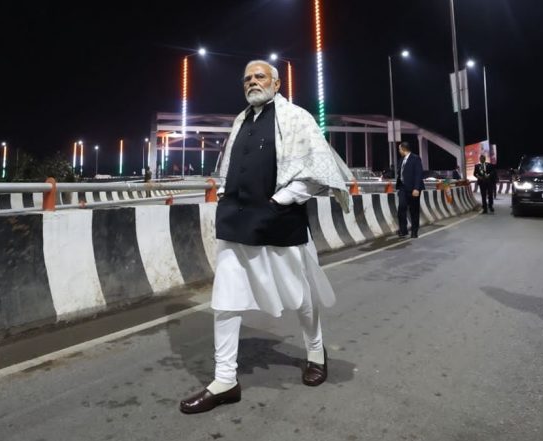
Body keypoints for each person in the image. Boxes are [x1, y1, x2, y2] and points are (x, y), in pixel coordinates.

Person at [179, 59, 353, 414]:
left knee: (301, 295)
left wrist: (278, 202)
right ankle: (225, 380)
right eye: (247, 78)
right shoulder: (240, 120)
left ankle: (316, 353)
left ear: (276, 82)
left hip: (279, 221)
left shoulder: (297, 118)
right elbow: (230, 169)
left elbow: (315, 171)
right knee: (225, 301)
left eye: (259, 76)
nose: (252, 82)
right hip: (236, 221)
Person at [396, 141, 423, 238]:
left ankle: (414, 231)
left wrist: (416, 188)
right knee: (401, 208)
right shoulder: (401, 160)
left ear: (403, 149)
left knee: (414, 210)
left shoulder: (415, 158)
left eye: (399, 149)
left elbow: (418, 174)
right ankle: (403, 230)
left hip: (413, 189)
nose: (399, 151)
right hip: (403, 188)